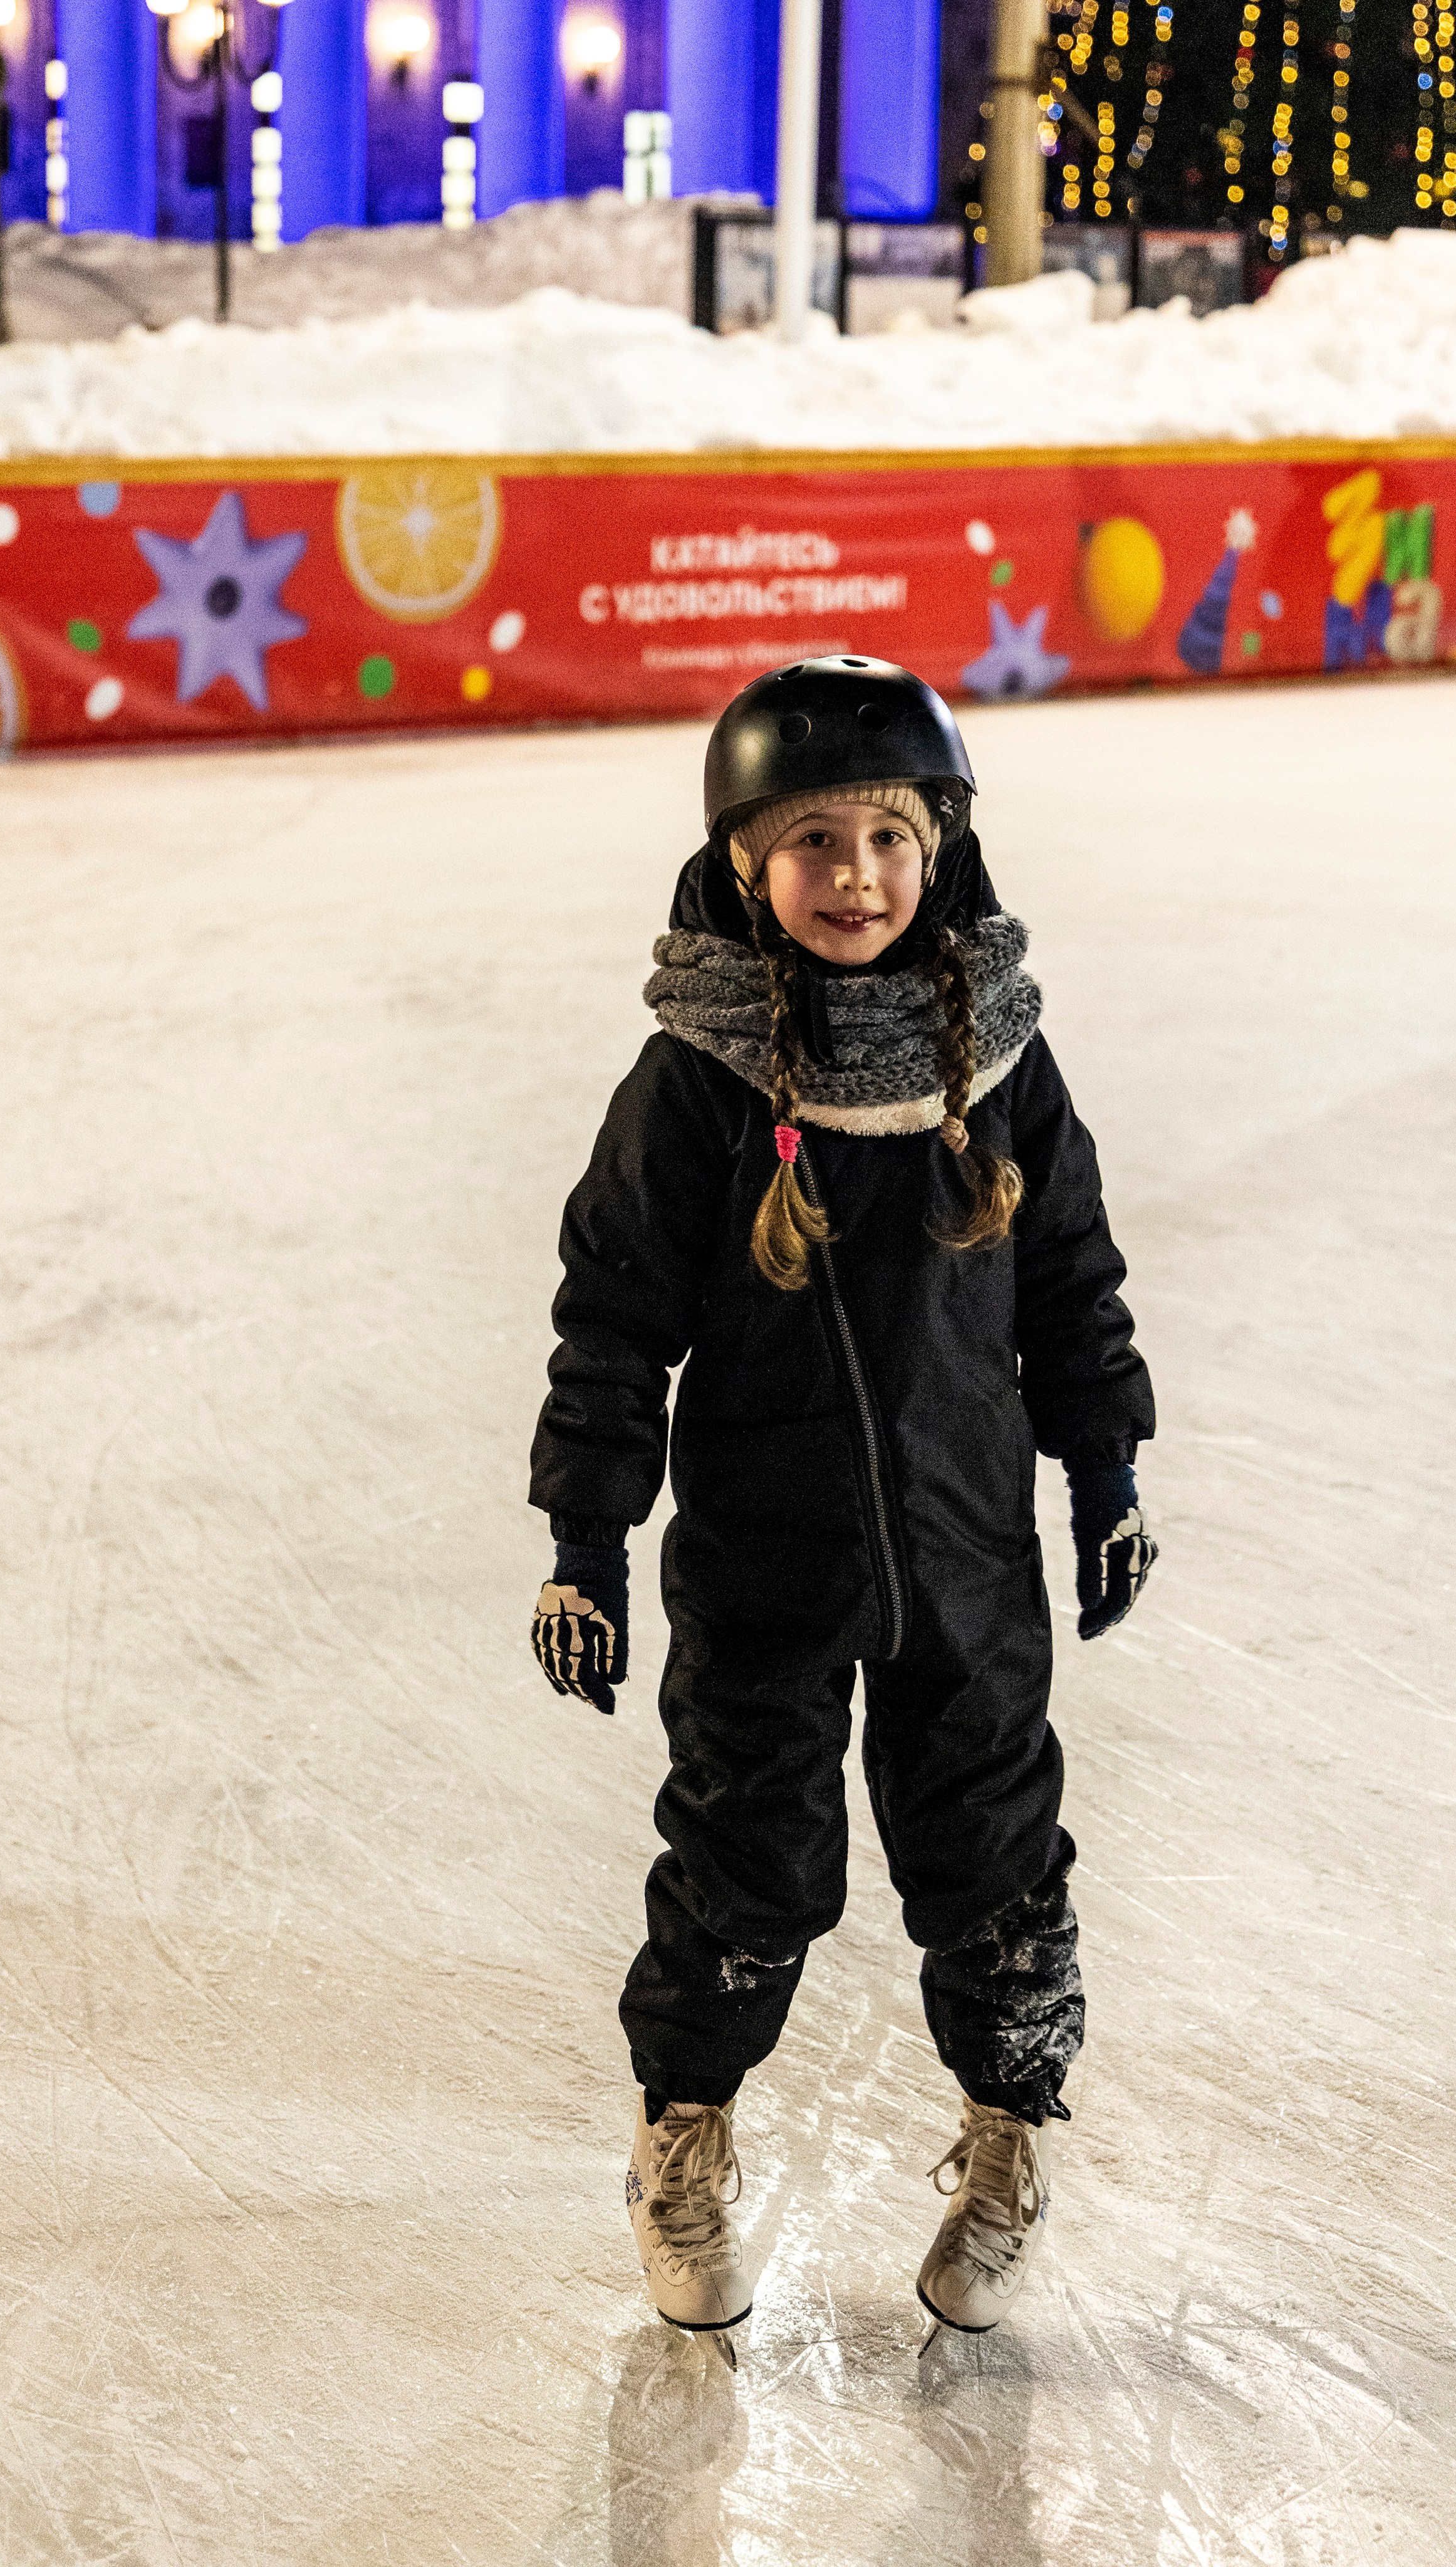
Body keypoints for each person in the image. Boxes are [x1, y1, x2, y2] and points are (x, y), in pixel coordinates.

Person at [528, 656, 1157, 2357]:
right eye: (815, 839)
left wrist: (1100, 1467)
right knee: (742, 1863)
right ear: (744, 861)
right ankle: (685, 2140)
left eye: (891, 834)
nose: (859, 875)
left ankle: (1011, 2144)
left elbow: (1070, 1280)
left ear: (940, 847)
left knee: (996, 1863)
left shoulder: (999, 1065)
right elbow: (615, 1319)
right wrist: (587, 1538)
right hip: (761, 1563)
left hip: (966, 1562)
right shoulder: (696, 1088)